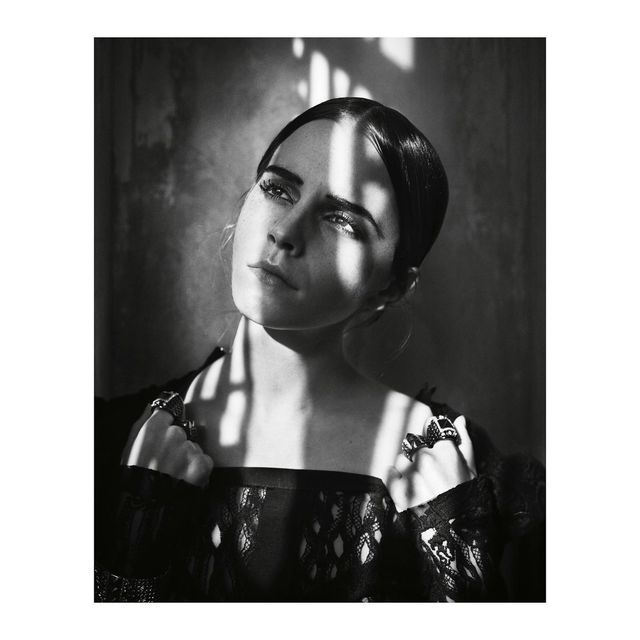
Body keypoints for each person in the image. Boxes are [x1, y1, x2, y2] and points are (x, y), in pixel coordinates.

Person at [94, 97, 545, 602]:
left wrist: (459, 562)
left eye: (342, 220)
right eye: (277, 189)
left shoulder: (466, 477)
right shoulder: (104, 441)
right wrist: (132, 548)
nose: (285, 232)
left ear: (392, 285)